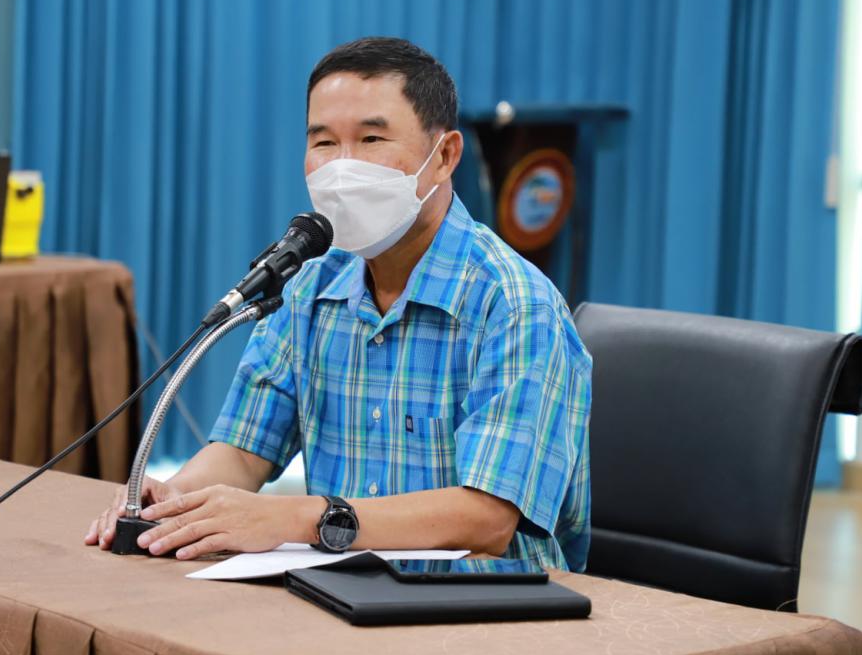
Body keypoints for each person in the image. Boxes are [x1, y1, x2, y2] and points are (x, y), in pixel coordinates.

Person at [87, 37, 592, 570]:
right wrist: (174, 500)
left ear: (444, 156)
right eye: (324, 143)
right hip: (343, 591)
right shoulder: (309, 286)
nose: (343, 167)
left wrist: (299, 518)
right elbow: (242, 451)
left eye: (372, 138)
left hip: (490, 605)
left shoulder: (515, 305)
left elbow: (487, 520)